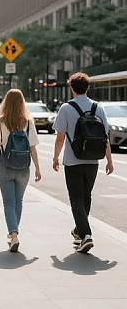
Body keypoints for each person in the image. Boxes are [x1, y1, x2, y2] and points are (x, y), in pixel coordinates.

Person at [52, 72, 114, 253]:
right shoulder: (98, 108)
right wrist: (109, 160)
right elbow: (105, 137)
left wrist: (55, 158)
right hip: (93, 160)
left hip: (72, 161)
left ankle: (86, 235)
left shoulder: (66, 108)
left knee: (76, 199)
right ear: (88, 87)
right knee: (86, 197)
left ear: (71, 88)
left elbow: (60, 137)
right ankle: (79, 232)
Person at [0, 89, 42, 252]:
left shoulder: (0, 121)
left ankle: (13, 234)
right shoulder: (28, 122)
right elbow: (33, 147)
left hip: (6, 166)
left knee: (8, 202)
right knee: (18, 201)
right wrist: (38, 169)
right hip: (24, 167)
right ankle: (13, 235)